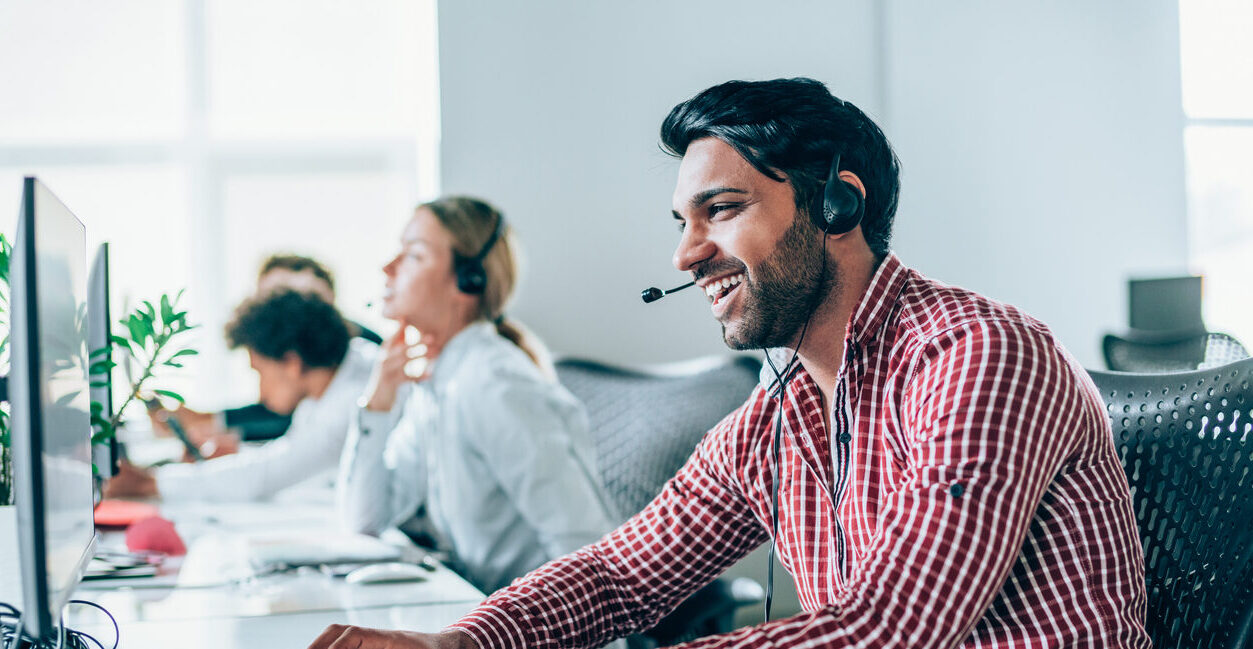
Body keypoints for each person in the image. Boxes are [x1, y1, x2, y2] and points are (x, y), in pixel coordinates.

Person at [308, 78, 1149, 649]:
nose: (684, 253)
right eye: (681, 219)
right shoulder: (777, 421)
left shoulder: (978, 358)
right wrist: (458, 641)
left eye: (721, 209)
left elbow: (893, 625)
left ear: (835, 204)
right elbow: (616, 576)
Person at [336, 195, 616, 595]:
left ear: (468, 281)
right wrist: (378, 400)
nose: (388, 267)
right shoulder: (439, 385)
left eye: (413, 255)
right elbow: (364, 521)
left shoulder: (494, 385)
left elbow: (582, 551)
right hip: (486, 618)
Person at [105, 288, 376, 502]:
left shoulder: (356, 398)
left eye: (260, 372)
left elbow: (269, 474)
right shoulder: (329, 387)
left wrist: (150, 483)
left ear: (291, 363)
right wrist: (234, 454)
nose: (261, 391)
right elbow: (295, 457)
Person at [159, 253, 383, 445]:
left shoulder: (362, 359)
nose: (271, 313)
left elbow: (283, 425)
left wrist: (213, 423)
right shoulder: (311, 385)